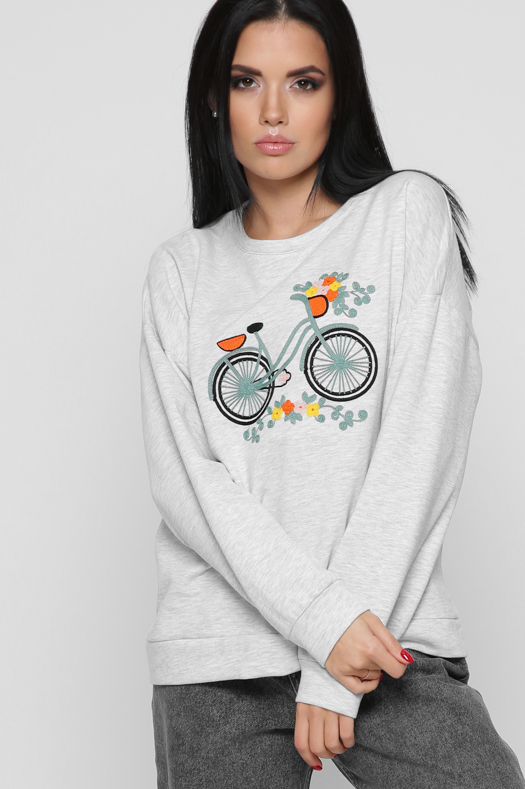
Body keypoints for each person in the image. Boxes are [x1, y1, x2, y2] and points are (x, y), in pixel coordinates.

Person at [139, 1, 525, 787]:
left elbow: (420, 446)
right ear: (214, 97)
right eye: (246, 81)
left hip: (380, 635)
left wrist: (333, 661)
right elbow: (188, 483)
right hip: (219, 652)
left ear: (340, 94)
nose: (273, 112)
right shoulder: (182, 269)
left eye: (304, 82)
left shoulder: (404, 215)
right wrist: (322, 623)